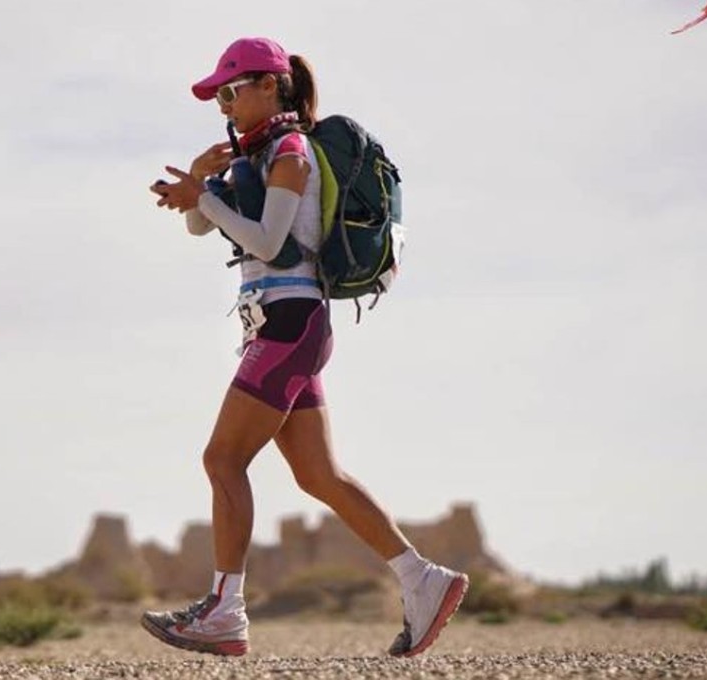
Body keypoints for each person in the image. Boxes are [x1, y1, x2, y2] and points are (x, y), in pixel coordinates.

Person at [143, 36, 469, 658]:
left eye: (230, 92)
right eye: (217, 98)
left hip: (288, 323)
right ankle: (423, 581)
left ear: (270, 86)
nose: (223, 107)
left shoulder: (291, 152)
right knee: (319, 474)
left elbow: (268, 244)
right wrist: (201, 181)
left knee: (222, 460)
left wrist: (203, 195)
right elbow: (198, 226)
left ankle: (224, 611)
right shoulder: (257, 154)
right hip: (284, 326)